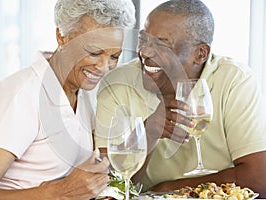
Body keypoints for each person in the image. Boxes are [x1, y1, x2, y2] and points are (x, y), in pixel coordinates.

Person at [94, 0, 266, 197]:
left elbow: (258, 179)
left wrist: (168, 190)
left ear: (200, 54)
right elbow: (107, 187)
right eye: (144, 40)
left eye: (161, 44)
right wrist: (148, 133)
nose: (144, 52)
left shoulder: (234, 79)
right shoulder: (116, 83)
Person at [0, 0, 136, 199]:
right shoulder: (21, 95)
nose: (103, 66)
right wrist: (58, 192)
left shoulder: (86, 92)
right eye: (94, 52)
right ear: (61, 36)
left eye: (114, 56)